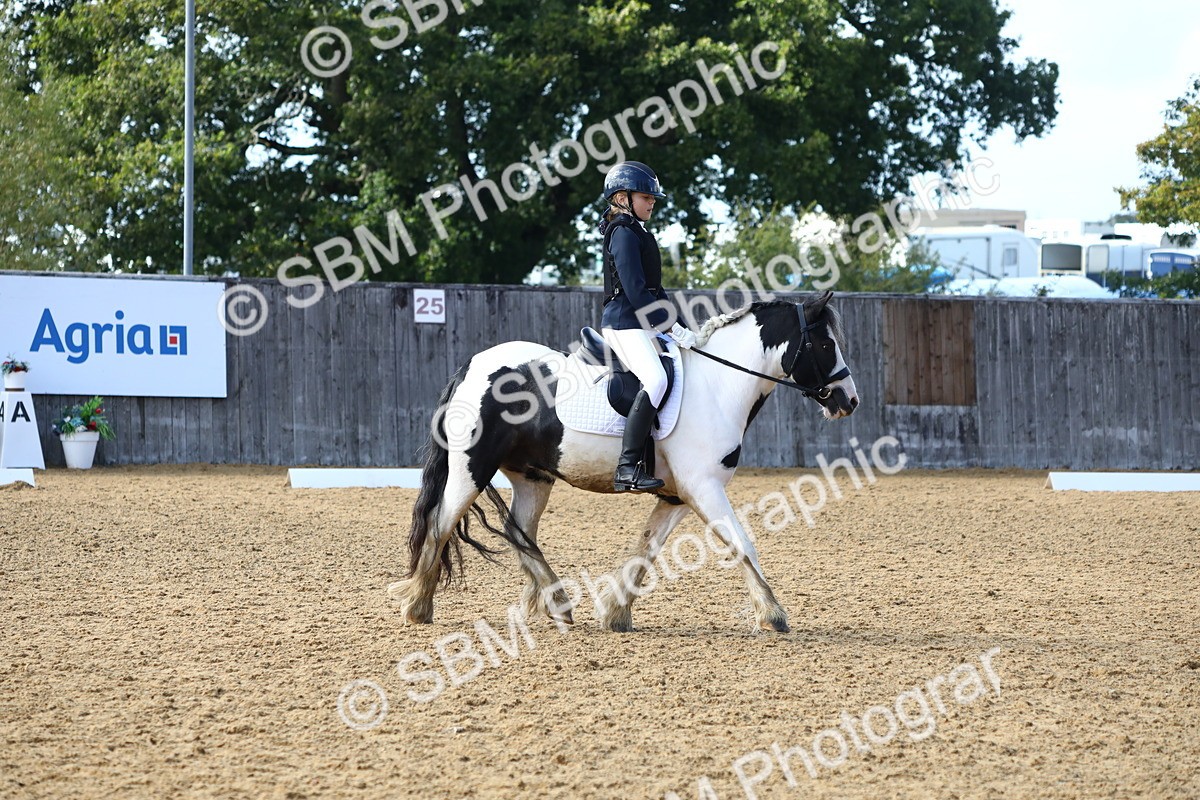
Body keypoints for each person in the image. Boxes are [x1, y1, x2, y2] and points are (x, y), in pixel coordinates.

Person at [599, 161, 673, 493]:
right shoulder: (623, 233)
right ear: (622, 197)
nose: (652, 201)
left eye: (653, 196)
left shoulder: (638, 231)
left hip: (640, 323)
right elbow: (635, 291)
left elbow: (656, 291)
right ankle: (627, 467)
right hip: (624, 324)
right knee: (655, 380)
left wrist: (681, 326)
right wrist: (666, 325)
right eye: (646, 196)